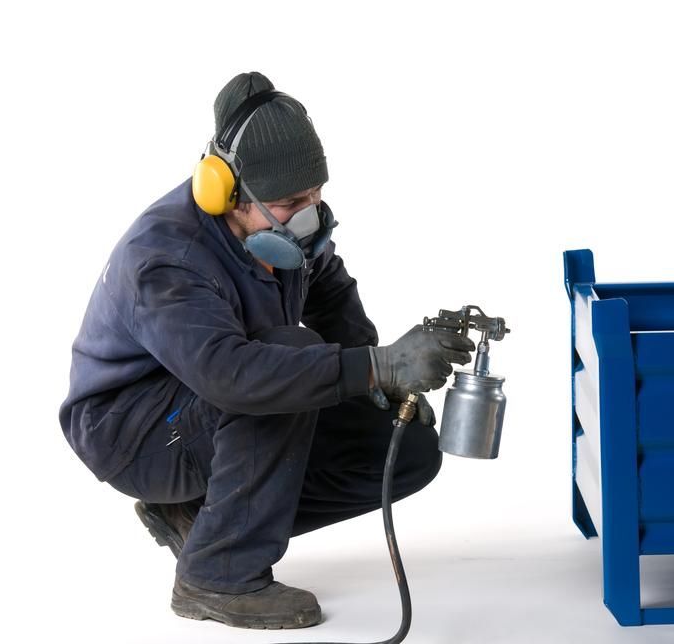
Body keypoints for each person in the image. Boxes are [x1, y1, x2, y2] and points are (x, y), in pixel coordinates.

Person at [58, 71, 474, 630]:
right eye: (291, 201)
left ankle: (205, 523)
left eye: (317, 194)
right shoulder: (166, 259)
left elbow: (331, 296)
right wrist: (374, 367)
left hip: (211, 405)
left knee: (406, 450)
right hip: (133, 431)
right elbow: (231, 376)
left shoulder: (284, 236)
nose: (310, 212)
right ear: (226, 192)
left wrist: (379, 379)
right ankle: (217, 575)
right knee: (283, 359)